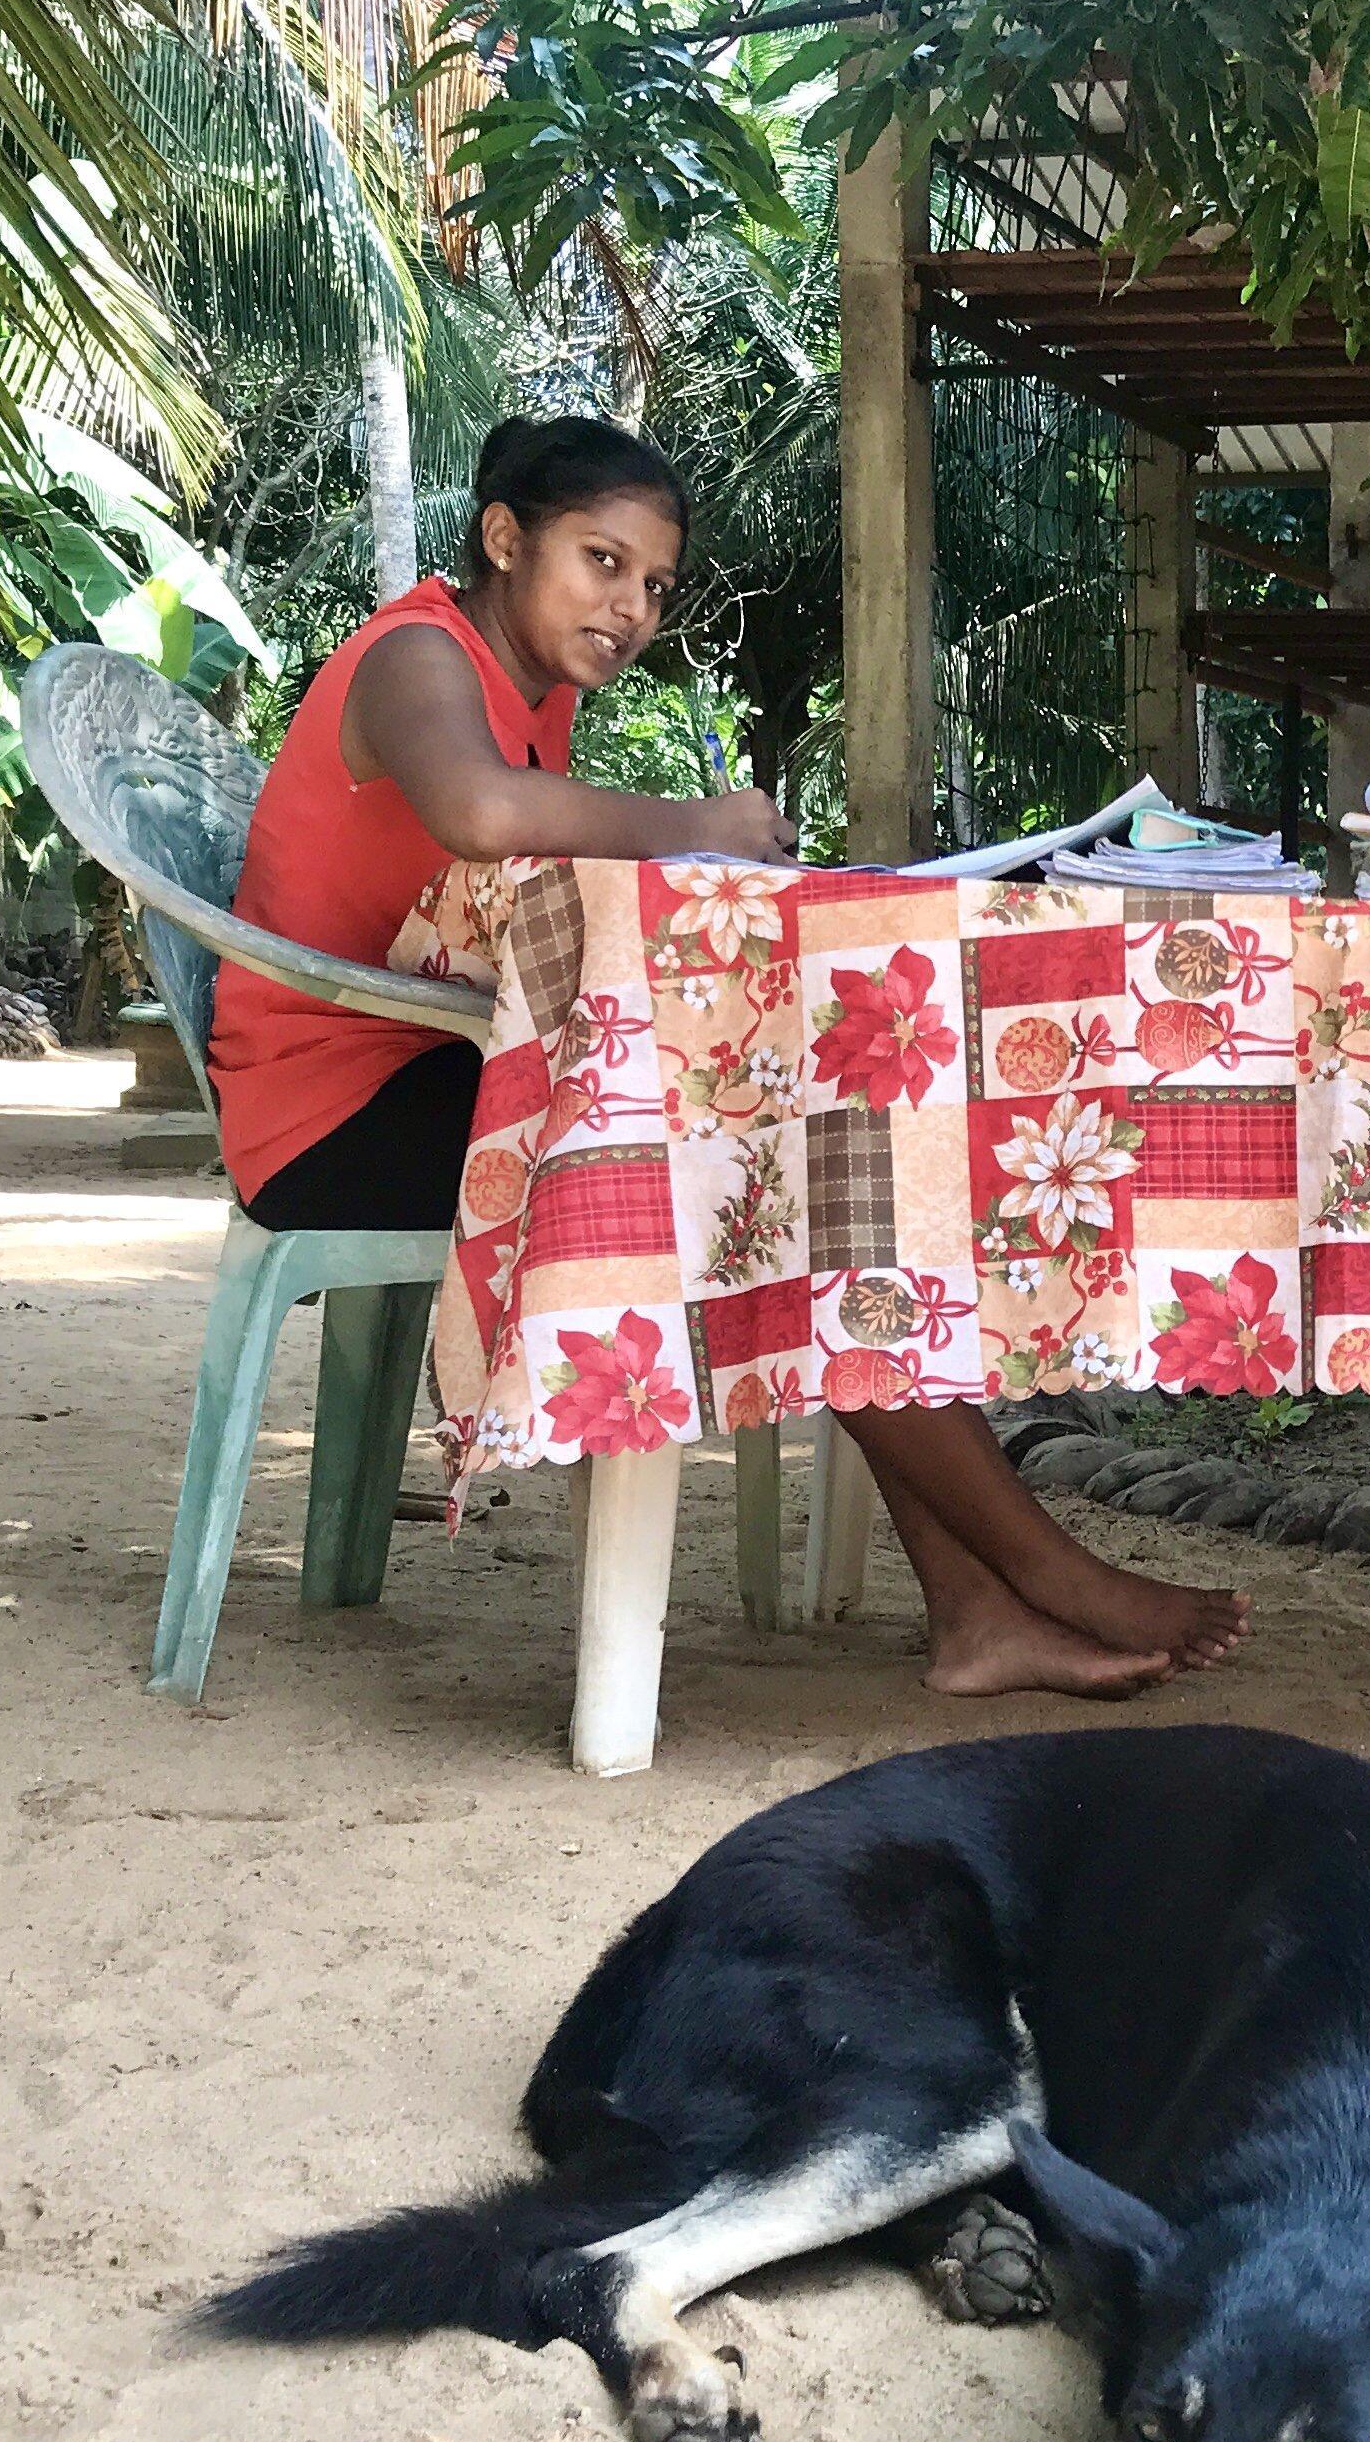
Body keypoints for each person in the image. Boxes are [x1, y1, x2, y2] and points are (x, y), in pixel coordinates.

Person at [220, 411, 1246, 1700]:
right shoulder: (417, 652)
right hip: (333, 1121)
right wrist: (696, 823)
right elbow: (480, 813)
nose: (631, 609)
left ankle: (985, 1611)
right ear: (503, 539)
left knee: (799, 1179)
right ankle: (1038, 1578)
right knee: (784, 1195)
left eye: (655, 586)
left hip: (428, 1076)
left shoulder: (534, 699)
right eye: (603, 562)